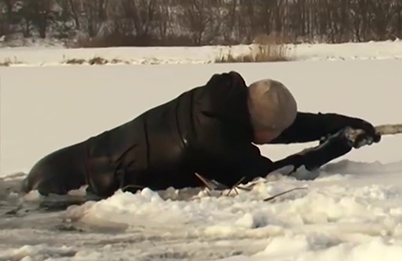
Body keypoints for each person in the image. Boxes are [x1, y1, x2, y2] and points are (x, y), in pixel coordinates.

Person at [23, 71, 381, 200]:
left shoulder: (216, 100)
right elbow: (271, 177)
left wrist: (343, 122)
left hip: (56, 163)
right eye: (273, 132)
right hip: (65, 188)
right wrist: (337, 145)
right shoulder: (219, 145)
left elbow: (286, 124)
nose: (276, 136)